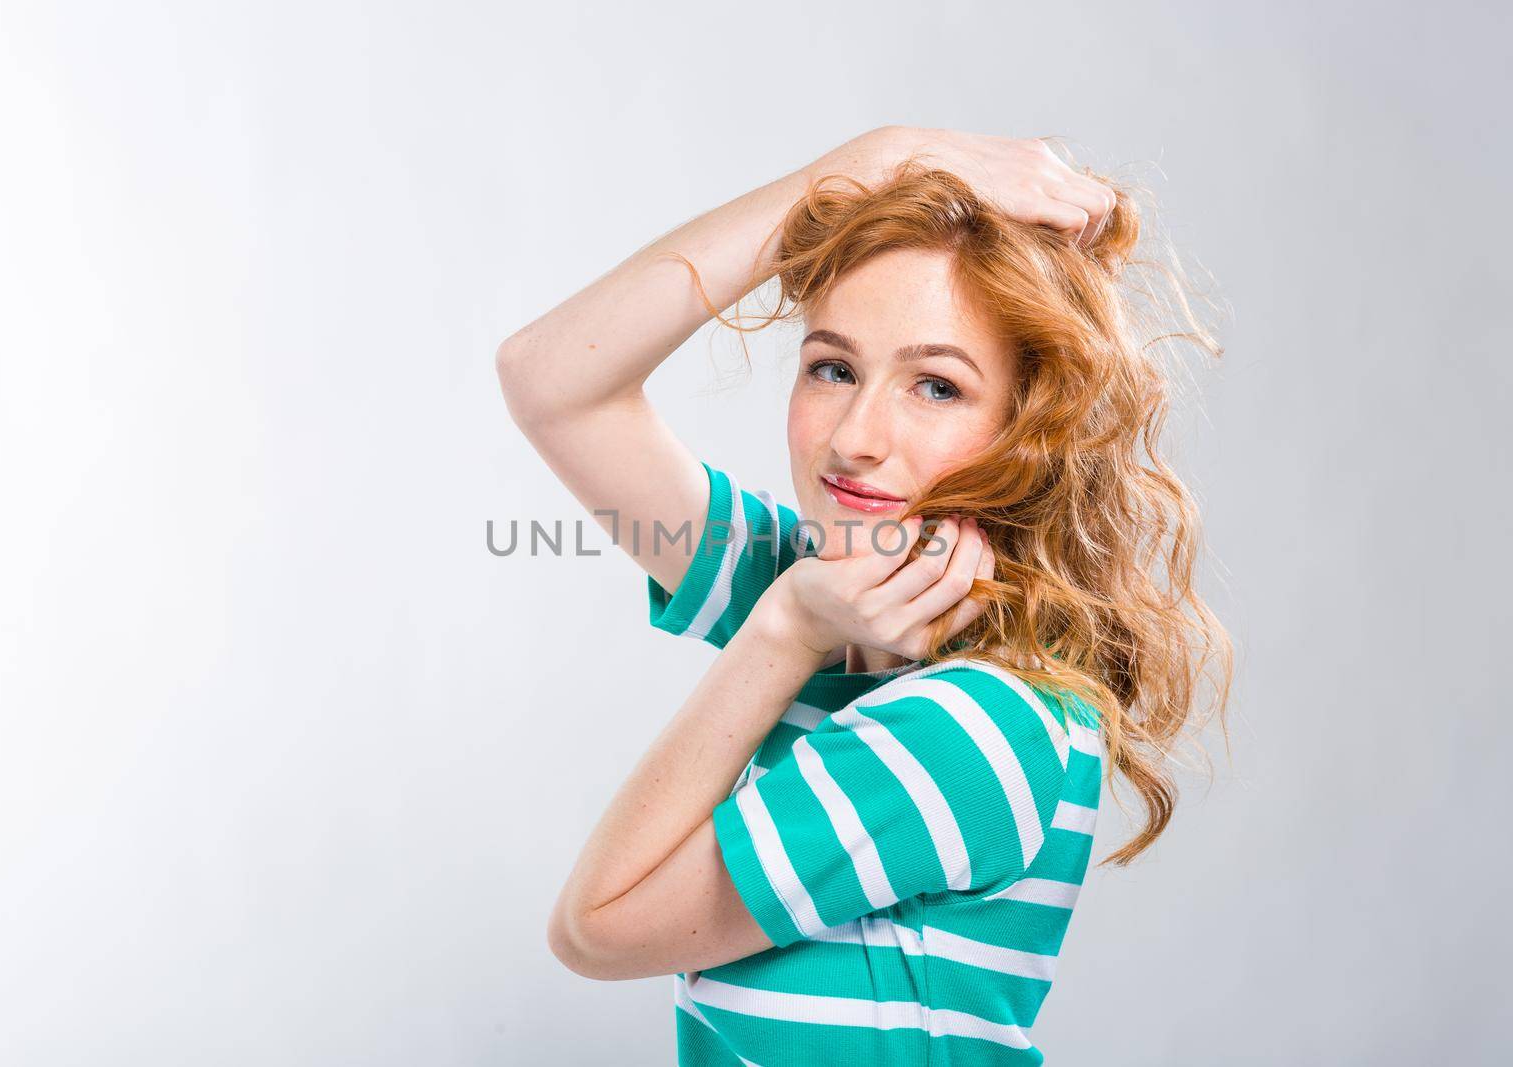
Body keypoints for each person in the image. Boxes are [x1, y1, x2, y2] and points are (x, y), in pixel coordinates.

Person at [496, 125, 1233, 1065]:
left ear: (1032, 429)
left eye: (935, 386)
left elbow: (595, 927)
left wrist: (785, 629)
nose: (854, 438)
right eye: (833, 367)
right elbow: (549, 378)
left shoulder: (968, 723)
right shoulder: (825, 581)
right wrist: (864, 163)